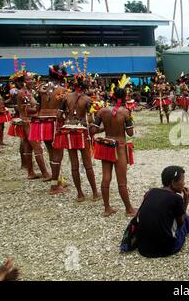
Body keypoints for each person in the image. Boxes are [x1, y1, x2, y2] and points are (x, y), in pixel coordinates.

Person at [136, 166, 189, 258]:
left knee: (174, 217)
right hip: (166, 248)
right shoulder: (176, 198)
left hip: (142, 247)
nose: (184, 183)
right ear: (173, 183)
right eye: (182, 180)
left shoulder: (151, 192)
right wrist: (186, 199)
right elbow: (181, 223)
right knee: (185, 225)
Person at [91, 86, 137, 217]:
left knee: (106, 177)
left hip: (106, 144)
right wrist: (129, 122)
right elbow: (130, 133)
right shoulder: (125, 112)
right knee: (121, 181)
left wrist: (105, 128)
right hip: (120, 146)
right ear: (124, 98)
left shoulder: (102, 111)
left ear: (112, 96)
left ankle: (107, 208)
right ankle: (129, 209)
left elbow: (93, 130)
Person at [55, 74, 100, 202]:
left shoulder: (66, 97)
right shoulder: (87, 99)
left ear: (74, 86)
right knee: (87, 164)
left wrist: (67, 120)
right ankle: (95, 193)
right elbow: (90, 118)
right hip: (81, 131)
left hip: (68, 130)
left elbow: (58, 115)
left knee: (74, 164)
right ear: (85, 87)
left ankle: (80, 194)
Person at [37, 65, 69, 195]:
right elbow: (65, 109)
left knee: (51, 151)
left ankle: (57, 181)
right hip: (56, 122)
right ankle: (54, 186)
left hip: (43, 121)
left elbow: (38, 106)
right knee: (58, 154)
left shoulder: (41, 88)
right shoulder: (62, 90)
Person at [15, 71, 51, 181]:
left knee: (27, 147)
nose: (31, 81)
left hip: (26, 121)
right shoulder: (24, 93)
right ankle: (45, 174)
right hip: (28, 122)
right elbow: (27, 110)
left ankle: (30, 172)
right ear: (23, 81)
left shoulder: (27, 92)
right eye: (28, 79)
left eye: (32, 79)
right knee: (37, 148)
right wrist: (39, 107)